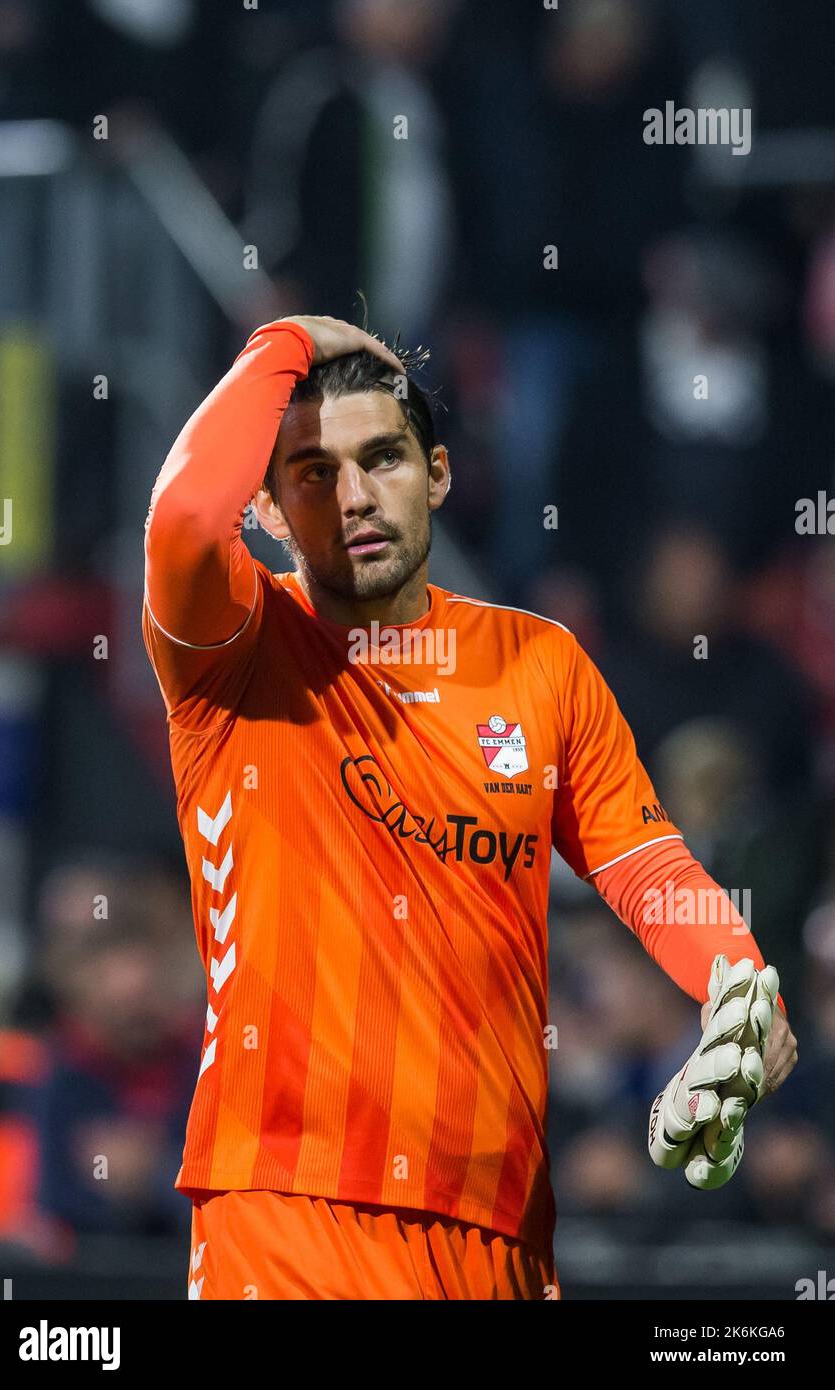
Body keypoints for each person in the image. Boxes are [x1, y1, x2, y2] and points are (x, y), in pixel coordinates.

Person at [142, 315, 797, 1300]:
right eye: (312, 474)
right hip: (286, 1212)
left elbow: (643, 866)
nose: (354, 496)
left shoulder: (537, 664)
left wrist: (741, 992)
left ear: (438, 474)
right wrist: (283, 339)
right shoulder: (233, 648)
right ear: (271, 512)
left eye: (382, 459)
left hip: (498, 1233)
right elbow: (186, 519)